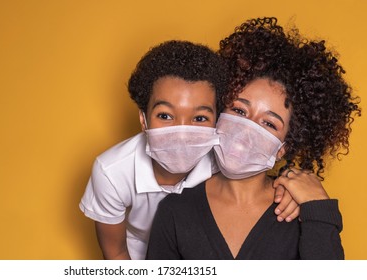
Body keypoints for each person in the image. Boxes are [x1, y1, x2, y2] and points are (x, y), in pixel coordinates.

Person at [146, 17, 361, 260]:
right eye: (238, 111)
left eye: (269, 123)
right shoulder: (175, 211)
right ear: (218, 113)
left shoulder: (301, 211)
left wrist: (318, 208)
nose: (246, 129)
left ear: (283, 148)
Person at [79, 40, 300, 260]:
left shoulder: (223, 153)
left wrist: (290, 185)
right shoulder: (111, 172)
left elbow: (254, 164)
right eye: (165, 116)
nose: (182, 133)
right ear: (143, 120)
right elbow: (116, 252)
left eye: (200, 118)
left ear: (216, 118)